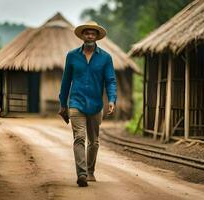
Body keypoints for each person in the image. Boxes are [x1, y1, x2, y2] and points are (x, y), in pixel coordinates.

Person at [59, 21, 117, 187]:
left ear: (97, 36)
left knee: (94, 141)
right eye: (87, 33)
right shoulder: (72, 56)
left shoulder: (106, 58)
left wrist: (112, 99)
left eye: (93, 33)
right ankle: (82, 174)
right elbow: (66, 81)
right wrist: (63, 103)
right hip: (76, 102)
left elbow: (110, 81)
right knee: (79, 137)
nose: (90, 36)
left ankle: (90, 171)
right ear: (83, 36)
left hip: (95, 105)